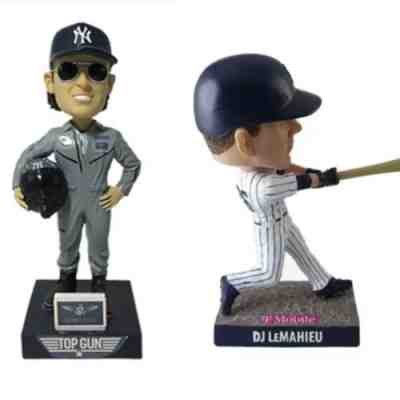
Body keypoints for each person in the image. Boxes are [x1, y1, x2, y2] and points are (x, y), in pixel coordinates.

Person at [194, 54, 351, 316]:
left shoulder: (261, 169)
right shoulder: (261, 185)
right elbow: (293, 182)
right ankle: (232, 283)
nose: (296, 127)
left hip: (281, 220)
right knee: (269, 275)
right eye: (282, 122)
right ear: (245, 143)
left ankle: (323, 283)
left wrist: (317, 174)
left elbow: (289, 170)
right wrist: (318, 180)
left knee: (302, 252)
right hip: (269, 228)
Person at [13, 22, 141, 312]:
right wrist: (18, 184)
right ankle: (66, 281)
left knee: (99, 245)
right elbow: (28, 155)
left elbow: (133, 164)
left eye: (96, 72)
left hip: (99, 201)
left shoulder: (111, 138)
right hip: (67, 202)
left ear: (109, 84)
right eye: (68, 70)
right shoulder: (55, 137)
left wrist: (121, 190)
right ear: (50, 81)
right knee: (67, 242)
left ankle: (99, 285)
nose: (83, 83)